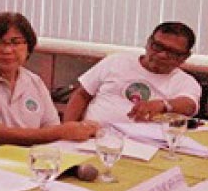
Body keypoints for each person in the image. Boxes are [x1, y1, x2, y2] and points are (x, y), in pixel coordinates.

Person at [0, 12, 98, 145]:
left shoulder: (34, 81)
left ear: (29, 47)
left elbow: (51, 125)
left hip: (34, 160)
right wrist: (61, 131)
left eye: (15, 42)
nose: (7, 50)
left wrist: (76, 130)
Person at [64, 22, 201, 123]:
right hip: (93, 137)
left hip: (148, 148)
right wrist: (67, 128)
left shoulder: (185, 82)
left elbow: (189, 105)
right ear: (148, 43)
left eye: (173, 52)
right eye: (158, 47)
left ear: (185, 57)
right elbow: (82, 95)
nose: (162, 55)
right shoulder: (116, 61)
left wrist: (163, 105)